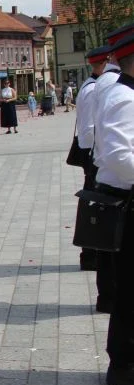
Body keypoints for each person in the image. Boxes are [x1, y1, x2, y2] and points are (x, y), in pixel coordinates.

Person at [92, 32, 134, 385]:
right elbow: (120, 157)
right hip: (127, 200)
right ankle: (123, 365)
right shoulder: (123, 97)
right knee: (129, 291)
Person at [74, 46, 113, 275]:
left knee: (95, 206)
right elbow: (88, 131)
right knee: (94, 207)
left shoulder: (97, 87)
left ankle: (93, 253)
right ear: (105, 63)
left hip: (95, 154)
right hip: (94, 156)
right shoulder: (92, 90)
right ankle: (90, 255)